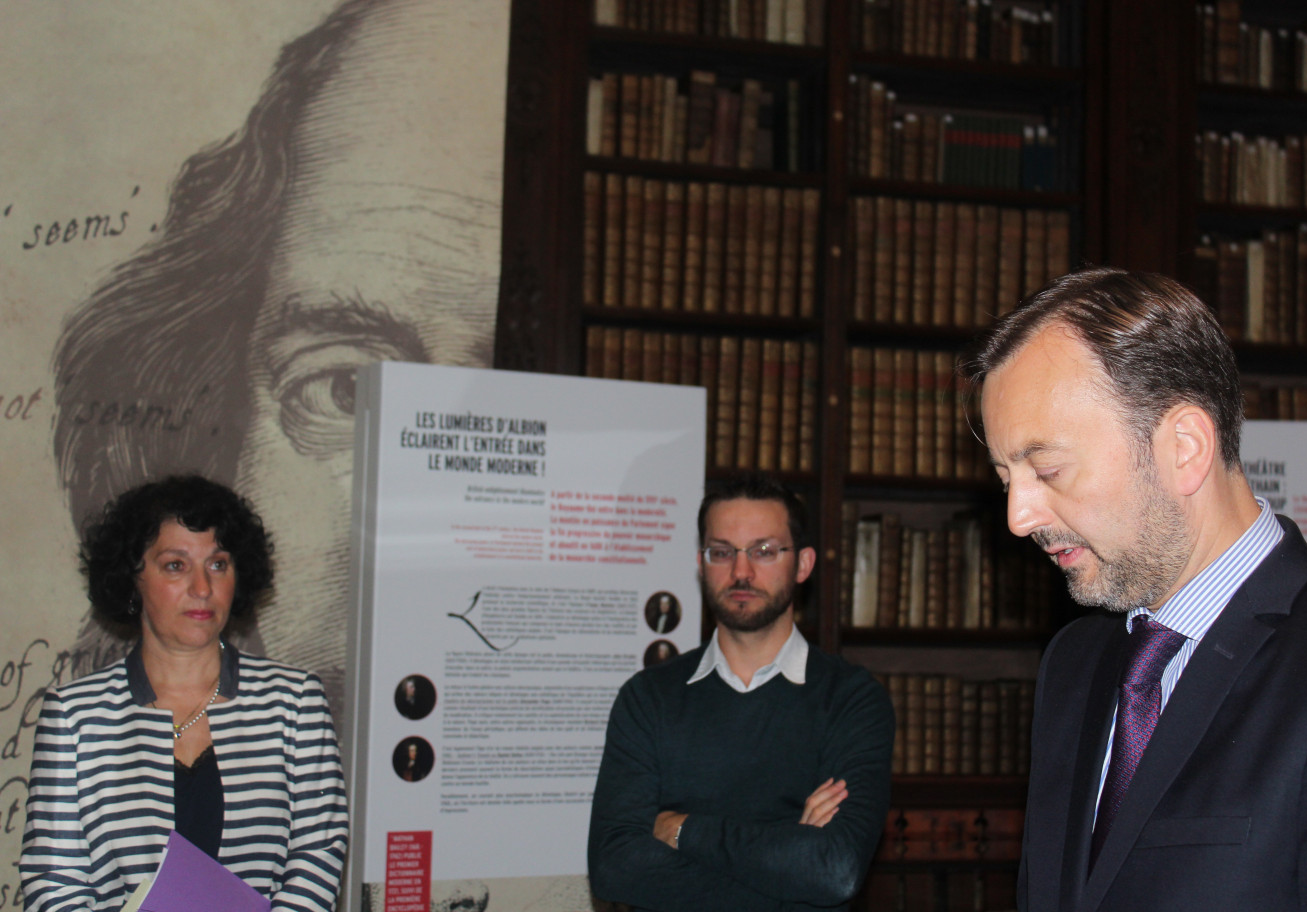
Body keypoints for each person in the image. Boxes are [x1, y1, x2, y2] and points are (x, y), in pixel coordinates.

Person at [49, 0, 503, 720]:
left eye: (500, 416)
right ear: (222, 435)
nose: (424, 537)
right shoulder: (95, 729)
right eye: (348, 389)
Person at [960, 266, 1307, 912]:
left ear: (1184, 447)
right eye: (1007, 477)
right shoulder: (1073, 664)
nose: (1018, 517)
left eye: (1047, 469)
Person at [21, 475, 349, 911]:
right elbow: (52, 880)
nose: (202, 588)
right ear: (133, 578)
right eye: (176, 565)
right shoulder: (75, 716)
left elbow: (318, 853)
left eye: (218, 564)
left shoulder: (294, 702)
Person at [588, 472, 894, 911]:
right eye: (722, 552)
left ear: (803, 564)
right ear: (701, 563)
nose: (741, 571)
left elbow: (834, 870)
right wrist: (790, 851)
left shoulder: (851, 700)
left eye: (764, 551)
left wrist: (681, 830)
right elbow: (613, 869)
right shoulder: (647, 699)